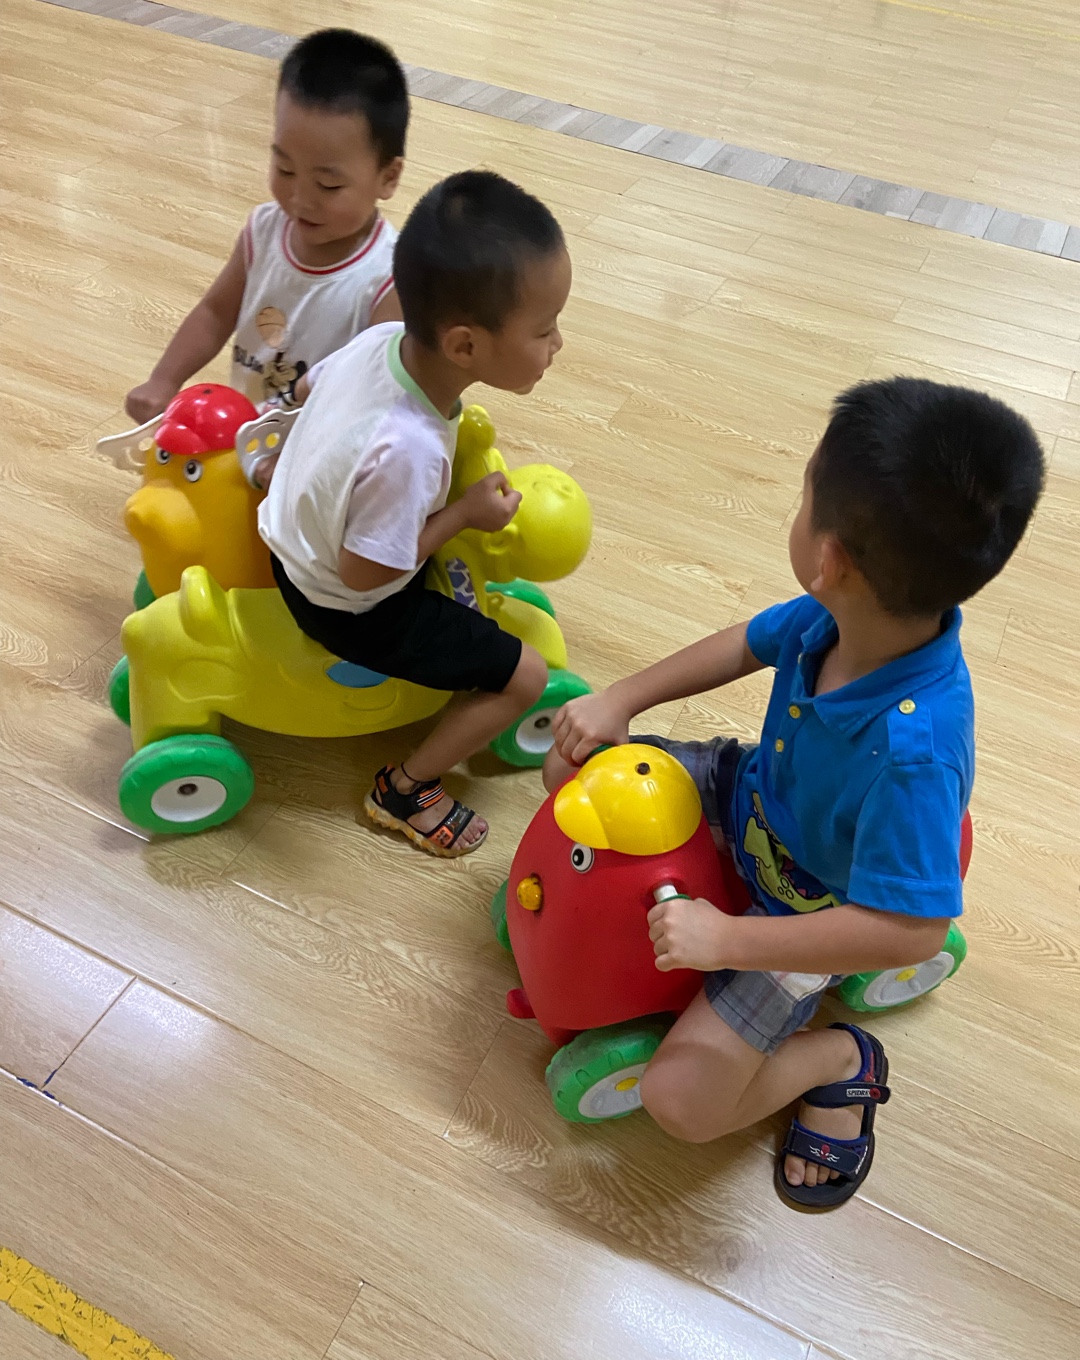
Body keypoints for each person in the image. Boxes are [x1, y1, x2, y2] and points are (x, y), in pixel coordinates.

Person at [545, 377, 1044, 1210]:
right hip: (750, 795)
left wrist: (729, 940)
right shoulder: (834, 613)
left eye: (804, 496)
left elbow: (914, 930)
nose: (798, 508)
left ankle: (841, 1060)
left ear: (830, 557)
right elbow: (746, 643)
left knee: (681, 1103)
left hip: (805, 907)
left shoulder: (914, 754)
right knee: (574, 766)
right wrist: (621, 699)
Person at [258, 170, 572, 856]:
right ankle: (405, 789)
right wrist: (465, 515)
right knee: (525, 677)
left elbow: (307, 391)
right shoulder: (411, 449)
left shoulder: (380, 341)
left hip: (284, 538)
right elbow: (365, 575)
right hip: (342, 603)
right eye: (545, 330)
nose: (557, 345)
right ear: (464, 346)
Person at [125, 28, 408, 422]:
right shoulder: (263, 231)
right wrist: (163, 380)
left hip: (318, 450)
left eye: (328, 185)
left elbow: (372, 394)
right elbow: (215, 313)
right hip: (243, 435)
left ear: (388, 178)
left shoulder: (388, 280)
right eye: (285, 169)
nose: (300, 198)